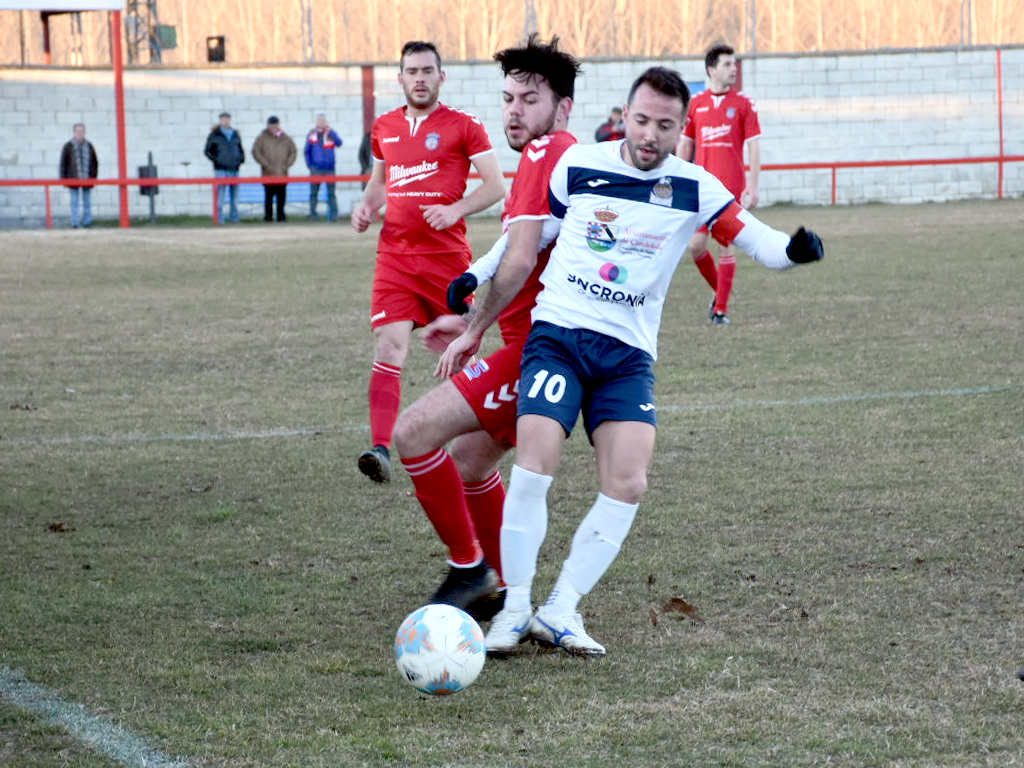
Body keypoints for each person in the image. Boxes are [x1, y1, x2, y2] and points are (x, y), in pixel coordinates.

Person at [437, 66, 823, 657]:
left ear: (681, 127)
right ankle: (514, 609)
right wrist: (477, 273)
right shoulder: (580, 166)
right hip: (559, 336)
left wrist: (794, 252)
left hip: (627, 357)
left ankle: (561, 608)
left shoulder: (696, 187)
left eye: (665, 126)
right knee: (535, 465)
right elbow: (534, 234)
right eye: (641, 121)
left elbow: (759, 240)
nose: (650, 135)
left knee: (629, 481)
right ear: (625, 114)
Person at [390, 35, 582, 616]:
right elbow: (516, 247)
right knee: (470, 463)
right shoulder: (552, 155)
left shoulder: (550, 154)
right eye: (507, 99)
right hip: (543, 349)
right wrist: (468, 307)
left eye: (529, 99)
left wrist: (474, 331)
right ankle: (507, 589)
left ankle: (472, 571)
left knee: (412, 434)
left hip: (539, 355)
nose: (515, 111)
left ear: (563, 107)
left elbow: (522, 259)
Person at [350, 40, 506, 484]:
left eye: (427, 70)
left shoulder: (463, 126)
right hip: (395, 258)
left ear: (441, 77)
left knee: (460, 349)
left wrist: (456, 210)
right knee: (389, 346)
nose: (419, 78)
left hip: (446, 262)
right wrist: (366, 207)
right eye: (411, 71)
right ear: (400, 78)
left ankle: (490, 427)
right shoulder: (384, 128)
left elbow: (496, 187)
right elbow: (378, 184)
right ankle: (380, 449)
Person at [676, 44, 761, 325]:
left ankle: (720, 310)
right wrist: (677, 180)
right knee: (696, 246)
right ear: (711, 69)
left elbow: (754, 146)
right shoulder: (696, 104)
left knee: (727, 246)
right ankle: (720, 292)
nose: (733, 69)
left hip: (730, 189)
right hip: (701, 189)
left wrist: (753, 185)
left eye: (734, 64)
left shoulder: (743, 103)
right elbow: (685, 147)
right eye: (726, 64)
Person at [252, 116, 297, 222]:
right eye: (271, 125)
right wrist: (265, 164)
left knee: (281, 197)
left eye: (275, 124)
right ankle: (268, 217)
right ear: (268, 125)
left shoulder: (286, 138)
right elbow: (256, 152)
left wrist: (287, 164)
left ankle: (281, 216)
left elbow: (293, 152)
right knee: (269, 197)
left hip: (282, 172)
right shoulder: (262, 137)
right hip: (268, 173)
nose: (273, 127)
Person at [204, 111, 245, 224]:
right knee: (220, 196)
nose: (225, 120)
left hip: (234, 169)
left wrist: (240, 160)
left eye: (227, 118)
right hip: (221, 169)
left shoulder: (235, 134)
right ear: (220, 120)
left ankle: (234, 218)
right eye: (223, 118)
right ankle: (219, 219)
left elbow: (240, 149)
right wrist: (217, 160)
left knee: (235, 196)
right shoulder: (214, 135)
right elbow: (207, 151)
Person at [304, 113, 342, 221]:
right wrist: (310, 166)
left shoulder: (331, 133)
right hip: (316, 169)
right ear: (317, 122)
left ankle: (334, 216)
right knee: (314, 193)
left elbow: (339, 143)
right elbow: (306, 152)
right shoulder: (312, 134)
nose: (322, 122)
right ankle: (313, 215)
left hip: (330, 169)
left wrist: (331, 132)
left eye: (324, 120)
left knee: (332, 193)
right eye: (320, 120)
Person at [59, 123, 98, 229]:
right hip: (73, 179)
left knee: (87, 202)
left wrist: (93, 178)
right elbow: (63, 163)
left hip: (87, 179)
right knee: (74, 202)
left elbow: (95, 163)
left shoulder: (89, 146)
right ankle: (75, 223)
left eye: (82, 131)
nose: (80, 133)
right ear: (74, 132)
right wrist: (64, 179)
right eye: (78, 131)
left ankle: (87, 222)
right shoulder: (68, 146)